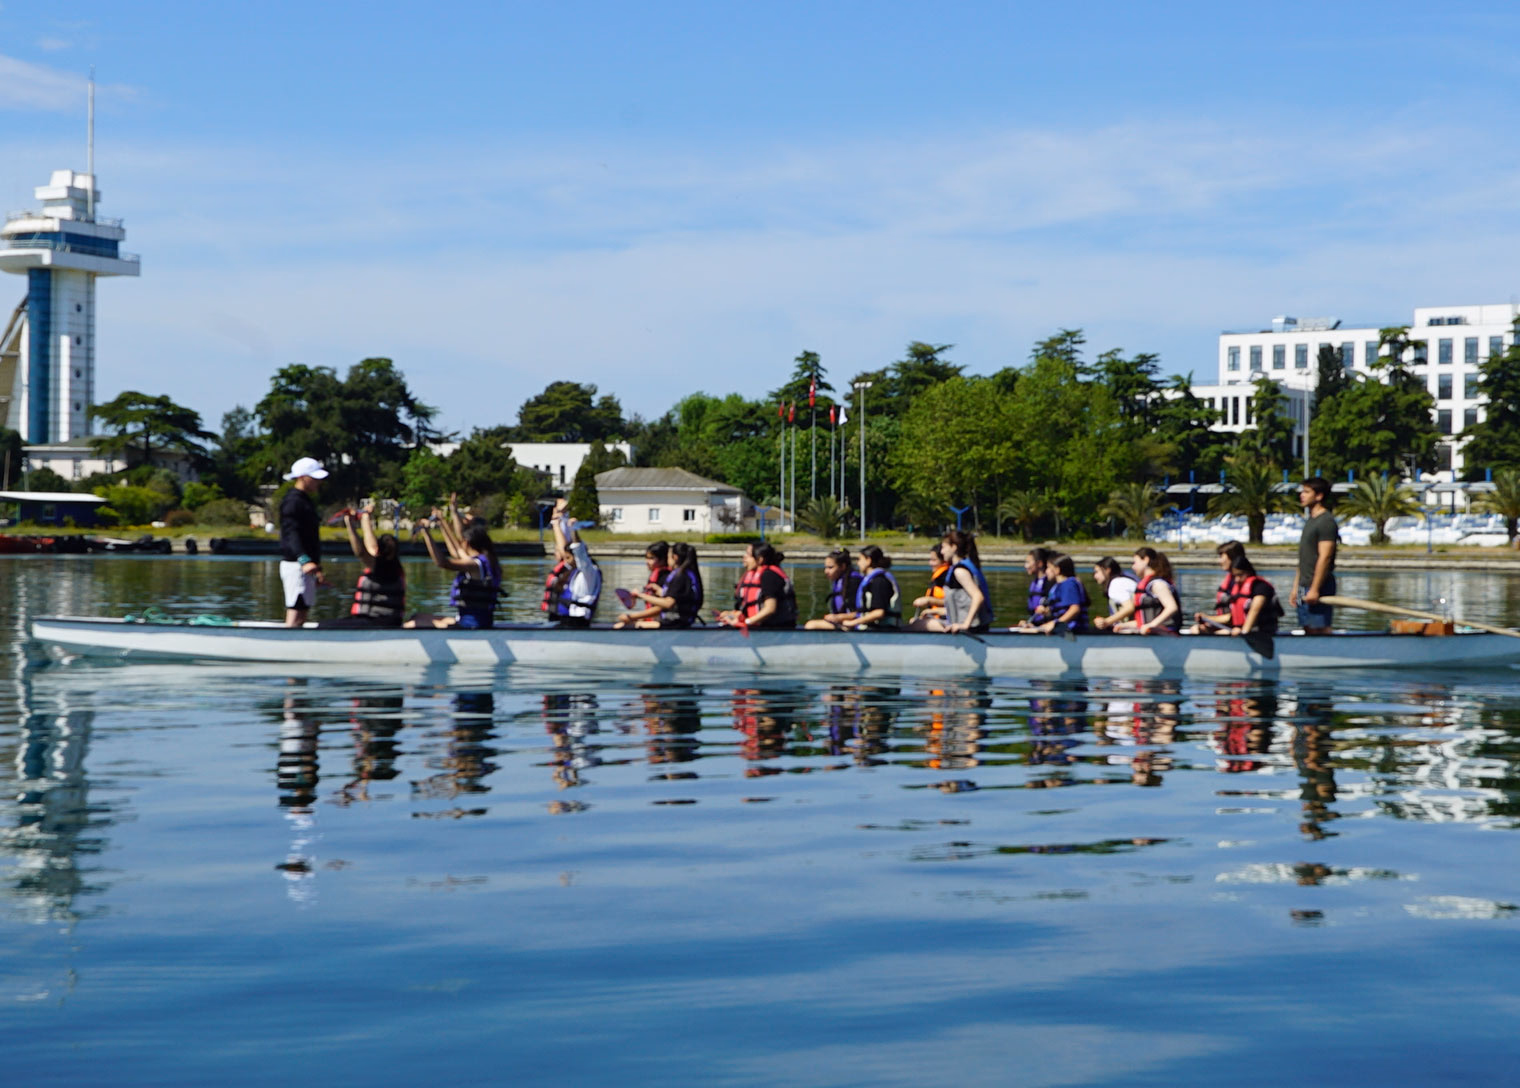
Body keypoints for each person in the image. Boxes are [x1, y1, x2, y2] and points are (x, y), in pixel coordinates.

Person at [408, 515, 504, 629]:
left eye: (462, 541)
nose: (460, 544)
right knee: (417, 616)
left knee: (412, 623)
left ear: (467, 543)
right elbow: (456, 551)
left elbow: (442, 563)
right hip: (477, 621)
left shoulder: (475, 565)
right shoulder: (486, 561)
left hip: (471, 624)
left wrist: (426, 533)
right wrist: (442, 524)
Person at [319, 502, 405, 628]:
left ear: (379, 550)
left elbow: (361, 552)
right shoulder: (395, 567)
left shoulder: (381, 567)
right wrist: (365, 517)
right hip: (384, 621)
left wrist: (350, 525)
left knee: (323, 626)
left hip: (375, 622)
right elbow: (371, 547)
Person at [278, 457, 329, 627]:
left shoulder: (305, 500)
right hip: (296, 564)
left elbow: (310, 538)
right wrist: (304, 560)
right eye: (314, 478)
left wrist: (317, 568)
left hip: (306, 564)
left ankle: (295, 642)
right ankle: (288, 643)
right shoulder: (293, 502)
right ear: (302, 478)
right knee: (297, 607)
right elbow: (291, 534)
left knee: (304, 609)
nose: (318, 482)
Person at [542, 500, 601, 627]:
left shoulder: (589, 571)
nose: (564, 560)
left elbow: (578, 552)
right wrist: (559, 520)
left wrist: (573, 530)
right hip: (566, 618)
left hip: (578, 622)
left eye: (568, 557)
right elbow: (566, 549)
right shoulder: (571, 573)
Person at [1291, 477, 1339, 634]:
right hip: (1303, 585)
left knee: (1319, 627)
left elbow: (1325, 557)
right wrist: (1295, 589)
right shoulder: (1310, 520)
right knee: (1306, 626)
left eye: (1306, 492)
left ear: (1319, 496)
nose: (1301, 495)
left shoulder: (1326, 521)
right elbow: (1304, 558)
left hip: (1319, 584)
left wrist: (1315, 589)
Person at [1194, 554, 1283, 636]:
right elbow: (1231, 617)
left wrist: (1244, 631)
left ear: (1248, 572)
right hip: (1239, 629)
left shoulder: (1261, 587)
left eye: (1240, 575)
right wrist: (1207, 618)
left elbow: (1254, 611)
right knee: (1197, 629)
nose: (1237, 579)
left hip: (1261, 632)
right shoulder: (1239, 588)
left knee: (1222, 633)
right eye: (1234, 576)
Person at [921, 530, 992, 634]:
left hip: (970, 627)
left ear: (954, 547)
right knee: (920, 622)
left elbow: (978, 596)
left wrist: (965, 625)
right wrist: (935, 611)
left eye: (944, 547)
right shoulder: (958, 569)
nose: (941, 552)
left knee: (917, 624)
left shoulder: (960, 571)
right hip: (960, 623)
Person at [621, 542, 704, 628]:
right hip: (677, 622)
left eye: (668, 557)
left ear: (674, 558)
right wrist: (661, 591)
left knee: (622, 626)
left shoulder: (680, 576)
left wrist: (641, 595)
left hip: (675, 623)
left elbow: (669, 603)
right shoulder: (684, 574)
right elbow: (678, 597)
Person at [719, 542, 797, 628]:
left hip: (776, 628)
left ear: (760, 560)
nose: (744, 557)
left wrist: (747, 622)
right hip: (759, 627)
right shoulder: (752, 575)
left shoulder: (769, 576)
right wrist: (732, 614)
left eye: (748, 555)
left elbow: (770, 608)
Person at [1114, 546, 1181, 635]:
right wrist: (1122, 625)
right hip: (1151, 631)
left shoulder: (1157, 584)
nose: (1133, 567)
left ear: (1145, 560)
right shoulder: (1146, 585)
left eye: (1135, 562)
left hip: (1165, 633)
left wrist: (1151, 625)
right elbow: (1144, 622)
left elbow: (1172, 607)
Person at [838, 546, 900, 631]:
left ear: (868, 560)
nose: (857, 563)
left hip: (883, 630)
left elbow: (879, 613)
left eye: (859, 559)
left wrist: (853, 623)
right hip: (871, 628)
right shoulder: (871, 580)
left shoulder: (879, 582)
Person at [1191, 540, 1247, 633]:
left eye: (1221, 557)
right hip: (1228, 626)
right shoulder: (1230, 580)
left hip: (1238, 629)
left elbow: (1234, 616)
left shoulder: (1241, 582)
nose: (1219, 561)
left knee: (1218, 633)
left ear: (1232, 558)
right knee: (1196, 629)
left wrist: (1207, 618)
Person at [613, 542, 672, 626]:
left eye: (651, 558)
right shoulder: (654, 576)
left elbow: (661, 608)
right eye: (646, 558)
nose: (647, 561)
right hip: (652, 620)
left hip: (662, 622)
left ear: (663, 559)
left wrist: (632, 617)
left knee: (619, 627)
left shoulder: (666, 577)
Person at [804, 549, 863, 630]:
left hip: (853, 625)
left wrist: (838, 617)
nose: (826, 571)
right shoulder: (839, 581)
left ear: (843, 566)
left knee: (811, 625)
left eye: (830, 567)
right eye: (825, 567)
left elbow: (860, 613)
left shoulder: (853, 582)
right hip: (842, 622)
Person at [1030, 553, 1088, 634]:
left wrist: (1055, 624)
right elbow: (1059, 609)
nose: (1046, 571)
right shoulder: (1056, 587)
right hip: (1062, 628)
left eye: (1048, 568)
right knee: (1029, 628)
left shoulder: (1069, 584)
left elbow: (1075, 609)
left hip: (1073, 630)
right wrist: (1046, 611)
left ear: (1057, 570)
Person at [1090, 557, 1138, 630]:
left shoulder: (1116, 583)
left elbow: (1129, 607)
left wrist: (1106, 621)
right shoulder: (1126, 578)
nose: (1095, 576)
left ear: (1107, 570)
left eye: (1097, 572)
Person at [908, 543, 950, 624]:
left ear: (944, 561)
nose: (930, 563)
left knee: (914, 623)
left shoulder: (946, 576)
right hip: (935, 617)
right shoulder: (938, 577)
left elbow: (952, 602)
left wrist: (929, 600)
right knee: (913, 621)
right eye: (930, 560)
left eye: (934, 560)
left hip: (945, 619)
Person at [1023, 547, 1054, 624]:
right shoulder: (1034, 583)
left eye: (1028, 562)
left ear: (1039, 563)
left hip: (1046, 624)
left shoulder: (1050, 583)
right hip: (1036, 623)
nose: (1025, 566)